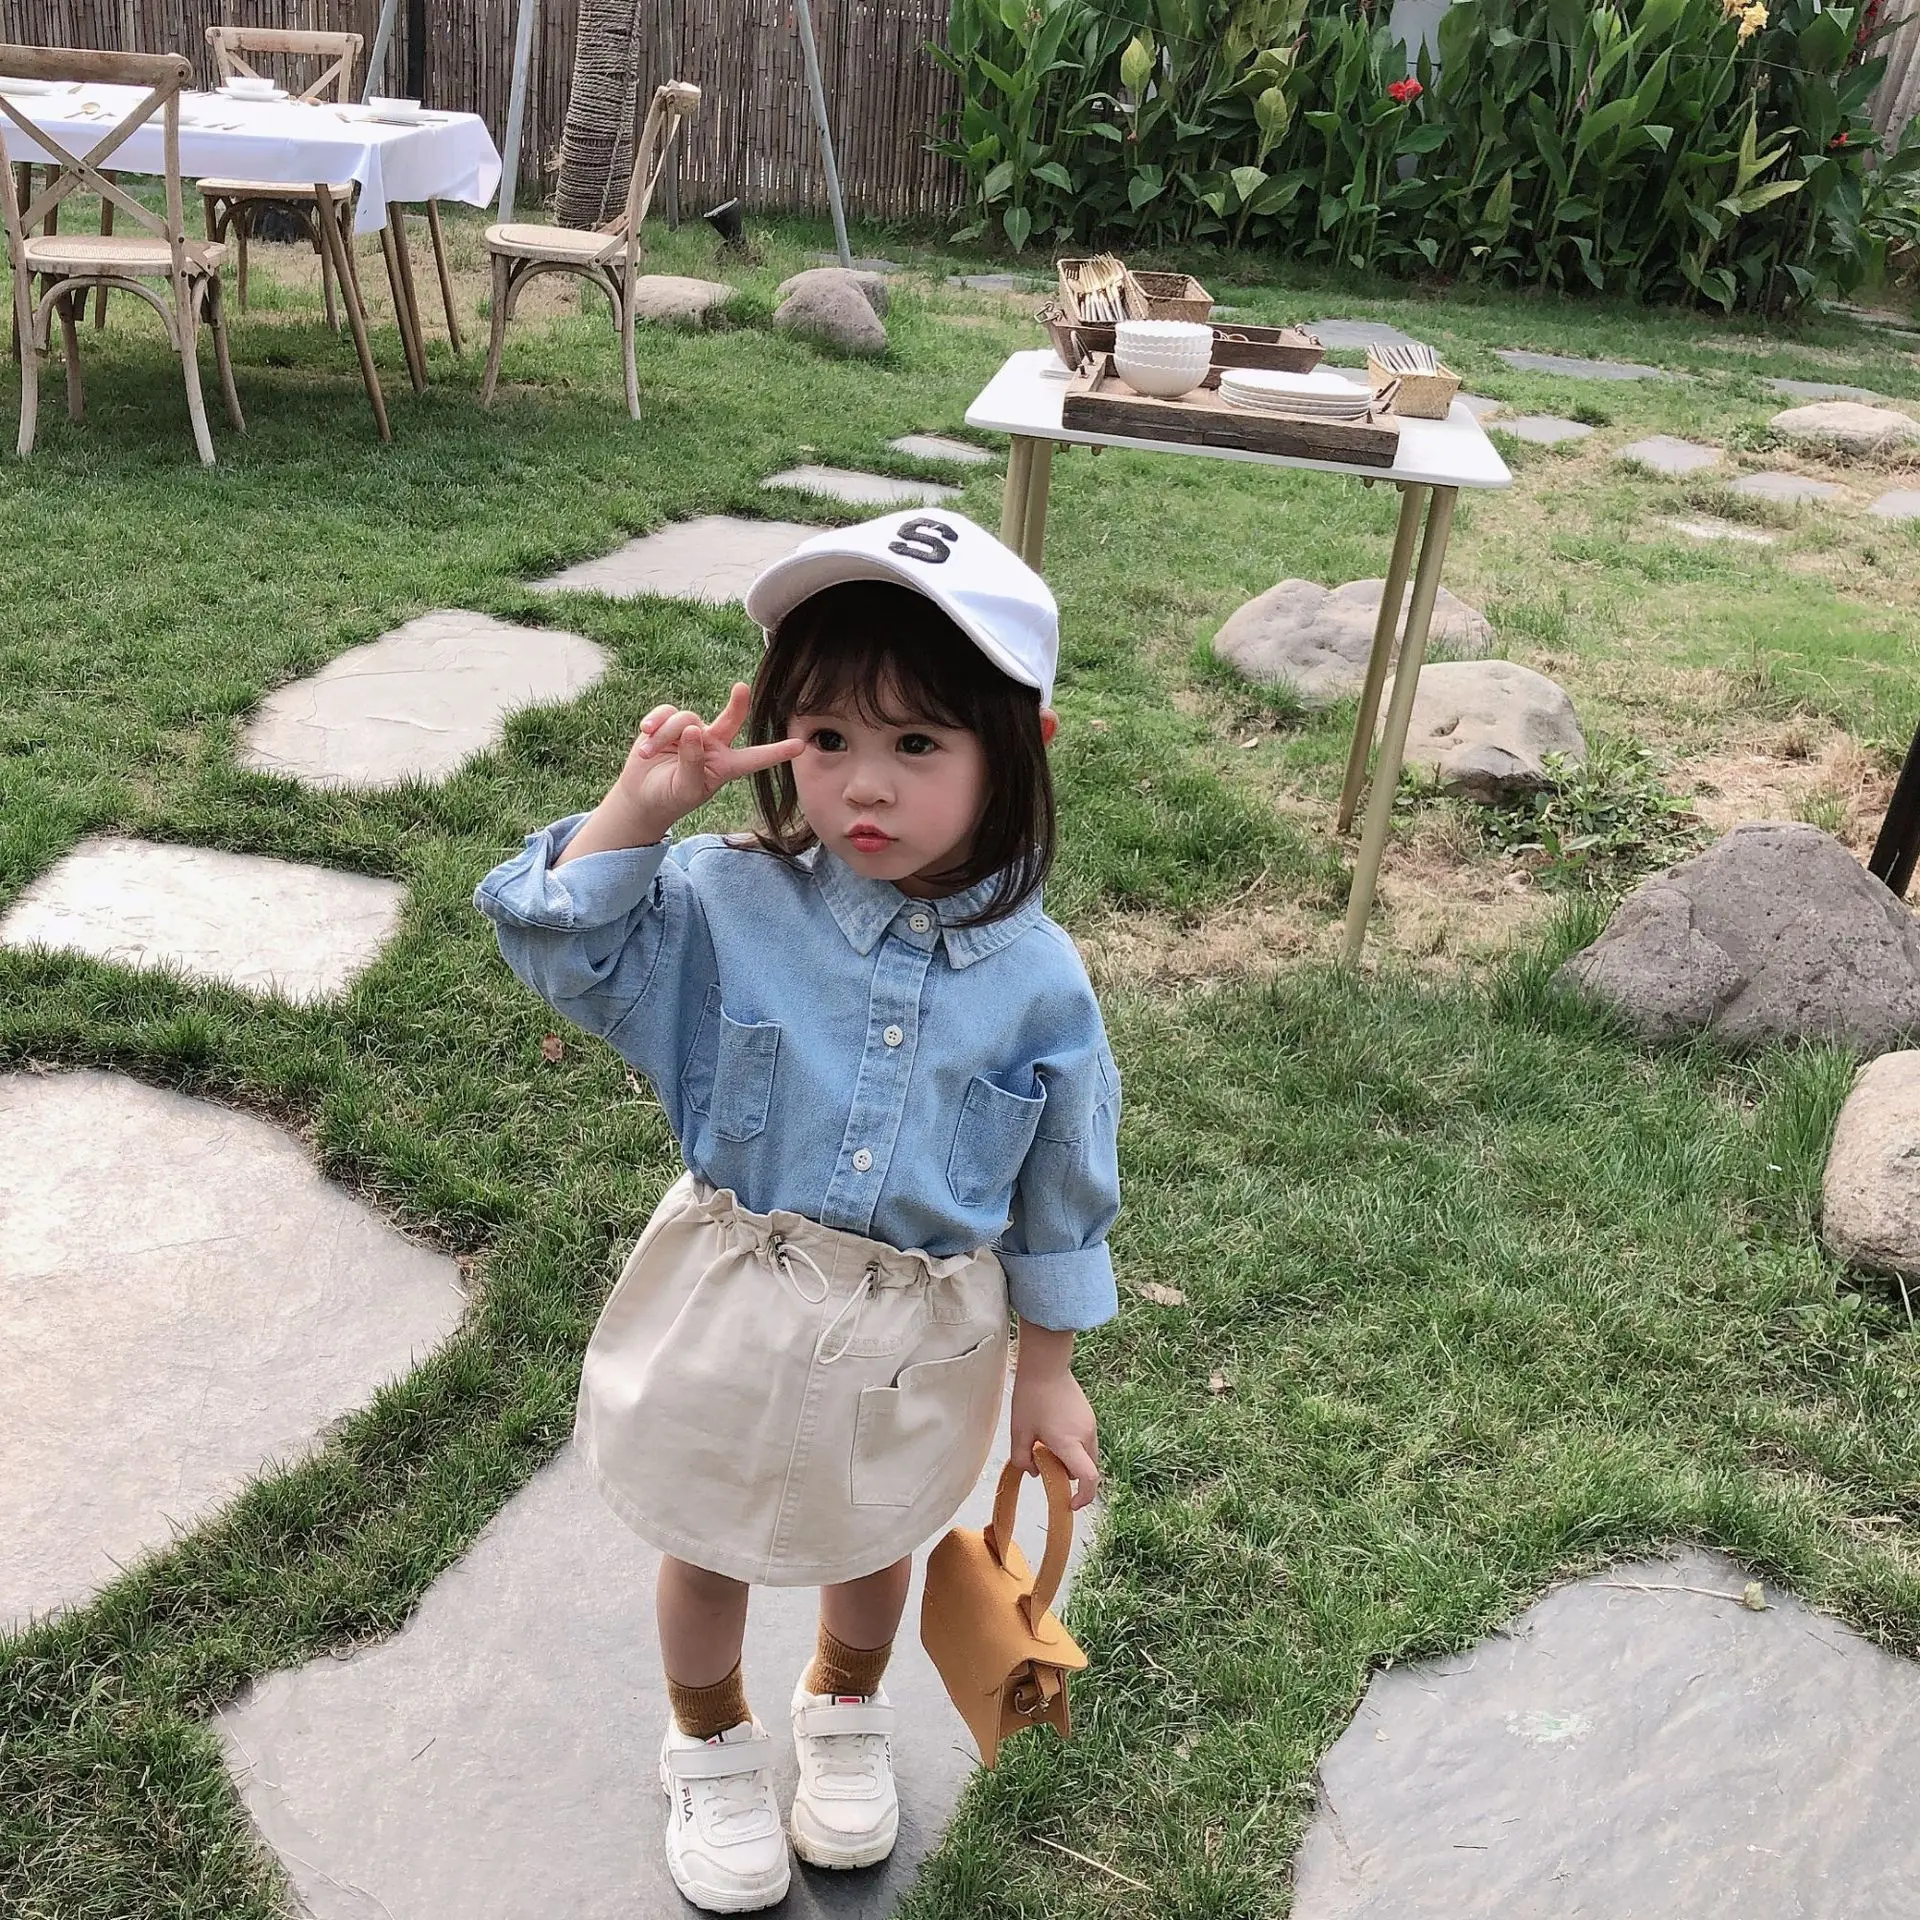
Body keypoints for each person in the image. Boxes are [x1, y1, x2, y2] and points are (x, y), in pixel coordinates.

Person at [474, 509, 1119, 1913]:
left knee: (874, 1538)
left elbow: (1061, 1191)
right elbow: (561, 949)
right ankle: (708, 1736)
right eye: (826, 739)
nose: (862, 787)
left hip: (918, 1338)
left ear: (1022, 748)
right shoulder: (722, 900)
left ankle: (844, 1703)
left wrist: (1048, 1370)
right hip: (734, 1306)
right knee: (706, 1540)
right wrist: (641, 811)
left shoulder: (1045, 987)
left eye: (917, 744)